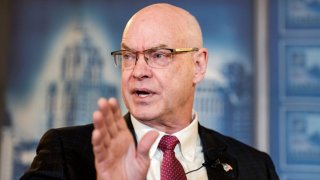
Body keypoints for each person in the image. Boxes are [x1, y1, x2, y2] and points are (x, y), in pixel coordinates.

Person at [21, 3, 279, 180]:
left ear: (198, 66)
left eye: (158, 55)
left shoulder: (254, 167)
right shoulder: (67, 152)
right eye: (129, 56)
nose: (138, 71)